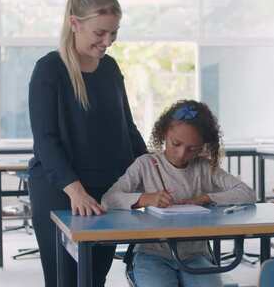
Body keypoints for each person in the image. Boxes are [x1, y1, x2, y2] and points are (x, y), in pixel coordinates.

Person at [27, 0, 147, 286]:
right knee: (65, 280)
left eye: (114, 33)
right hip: (62, 190)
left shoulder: (109, 68)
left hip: (106, 190)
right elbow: (45, 140)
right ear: (75, 23)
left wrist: (154, 169)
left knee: (94, 279)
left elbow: (126, 128)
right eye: (100, 33)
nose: (107, 41)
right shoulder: (49, 70)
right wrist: (75, 191)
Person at [101, 99, 256, 287]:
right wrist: (145, 199)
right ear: (164, 133)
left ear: (203, 146)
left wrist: (205, 198)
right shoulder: (145, 164)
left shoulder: (204, 168)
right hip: (152, 255)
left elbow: (247, 193)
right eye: (176, 144)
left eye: (192, 149)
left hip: (195, 255)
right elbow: (108, 199)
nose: (182, 154)